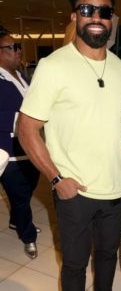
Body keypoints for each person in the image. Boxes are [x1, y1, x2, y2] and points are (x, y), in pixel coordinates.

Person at [18, 0, 121, 290]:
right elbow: (26, 129)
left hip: (116, 191)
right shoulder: (53, 66)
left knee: (108, 257)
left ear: (112, 19)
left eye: (104, 11)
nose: (96, 17)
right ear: (74, 16)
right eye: (87, 9)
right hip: (75, 193)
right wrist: (56, 179)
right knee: (74, 265)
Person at [0, 27, 41, 259]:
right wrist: (23, 120)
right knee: (20, 196)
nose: (18, 51)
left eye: (18, 47)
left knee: (26, 192)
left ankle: (17, 222)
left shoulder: (22, 76)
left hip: (30, 147)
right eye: (12, 48)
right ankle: (28, 237)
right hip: (9, 150)